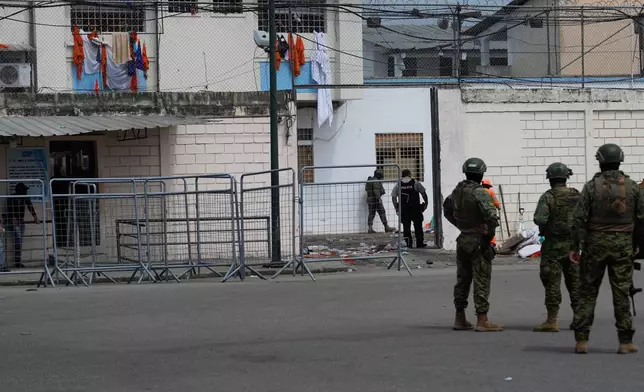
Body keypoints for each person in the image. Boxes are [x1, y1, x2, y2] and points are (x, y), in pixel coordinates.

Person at [570, 143, 642, 354]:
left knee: (587, 291)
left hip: (595, 244)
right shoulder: (632, 186)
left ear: (600, 160)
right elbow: (641, 218)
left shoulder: (591, 186)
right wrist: (636, 245)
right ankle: (625, 342)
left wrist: (576, 246)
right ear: (620, 159)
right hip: (623, 244)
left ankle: (581, 340)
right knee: (621, 293)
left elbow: (578, 219)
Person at [443, 157, 502, 332]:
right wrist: (488, 236)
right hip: (478, 240)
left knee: (463, 279)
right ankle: (482, 320)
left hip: (463, 239)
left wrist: (460, 225)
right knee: (481, 279)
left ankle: (459, 318)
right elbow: (491, 216)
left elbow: (446, 209)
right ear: (482, 173)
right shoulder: (480, 192)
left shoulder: (457, 191)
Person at [532, 162, 581, 333]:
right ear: (566, 177)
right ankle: (578, 319)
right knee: (575, 282)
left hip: (553, 246)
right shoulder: (576, 195)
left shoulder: (548, 197)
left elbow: (539, 219)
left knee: (552, 282)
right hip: (573, 246)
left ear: (550, 178)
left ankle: (552, 320)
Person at [4, 183, 39, 269]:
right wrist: (12, 217)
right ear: (21, 190)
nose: (26, 192)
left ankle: (17, 262)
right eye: (24, 190)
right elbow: (9, 208)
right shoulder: (12, 197)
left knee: (18, 241)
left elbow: (30, 206)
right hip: (13, 221)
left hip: (20, 221)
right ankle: (17, 262)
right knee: (18, 241)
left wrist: (35, 217)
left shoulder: (25, 197)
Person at [391, 169, 428, 248]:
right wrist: (426, 204)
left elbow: (394, 197)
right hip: (415, 209)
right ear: (409, 174)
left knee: (406, 227)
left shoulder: (398, 184)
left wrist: (396, 208)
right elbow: (423, 193)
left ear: (402, 175)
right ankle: (419, 243)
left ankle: (409, 244)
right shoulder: (415, 182)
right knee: (418, 226)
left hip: (404, 210)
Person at [365, 169, 395, 234]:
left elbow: (366, 189)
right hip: (375, 199)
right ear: (379, 175)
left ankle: (370, 228)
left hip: (370, 199)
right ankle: (386, 227)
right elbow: (376, 191)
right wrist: (379, 199)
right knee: (382, 212)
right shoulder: (376, 181)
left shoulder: (370, 180)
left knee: (371, 213)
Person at [481, 179, 500, 247]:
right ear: (489, 186)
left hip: (480, 214)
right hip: (490, 214)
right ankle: (491, 244)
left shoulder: (478, 192)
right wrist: (499, 207)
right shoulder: (491, 192)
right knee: (491, 229)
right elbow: (496, 202)